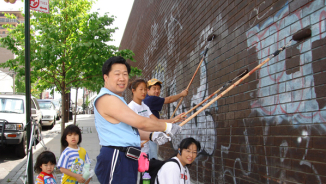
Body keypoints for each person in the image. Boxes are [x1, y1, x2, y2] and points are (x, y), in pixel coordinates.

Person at [94, 56, 182, 184]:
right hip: (116, 157)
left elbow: (129, 129)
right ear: (106, 77)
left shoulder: (118, 99)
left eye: (125, 74)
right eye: (117, 74)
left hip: (126, 158)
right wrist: (166, 127)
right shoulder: (106, 98)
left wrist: (152, 135)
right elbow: (141, 122)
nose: (122, 78)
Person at [128, 78, 186, 157]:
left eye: (145, 89)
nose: (144, 92)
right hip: (136, 148)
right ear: (133, 91)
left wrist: (174, 120)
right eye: (141, 89)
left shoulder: (145, 106)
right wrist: (135, 143)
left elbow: (156, 121)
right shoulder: (130, 107)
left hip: (146, 148)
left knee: (148, 166)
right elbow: (129, 130)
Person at [143, 78, 188, 159]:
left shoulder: (145, 100)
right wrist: (181, 94)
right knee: (152, 158)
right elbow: (169, 99)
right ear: (147, 90)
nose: (157, 91)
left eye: (158, 89)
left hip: (146, 133)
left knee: (147, 158)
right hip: (150, 133)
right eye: (154, 88)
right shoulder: (151, 99)